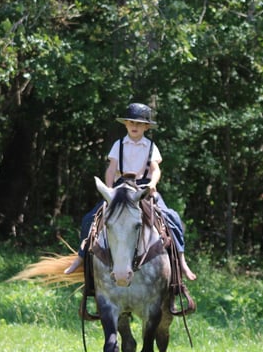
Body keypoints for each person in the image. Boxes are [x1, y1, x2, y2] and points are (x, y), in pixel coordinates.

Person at [65, 102, 197, 281]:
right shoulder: (118, 145)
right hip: (120, 189)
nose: (135, 126)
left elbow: (155, 169)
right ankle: (80, 257)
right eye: (131, 122)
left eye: (139, 124)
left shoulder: (150, 146)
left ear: (146, 127)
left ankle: (181, 260)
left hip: (143, 188)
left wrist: (152, 184)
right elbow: (111, 169)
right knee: (89, 218)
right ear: (126, 124)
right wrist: (109, 190)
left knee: (171, 217)